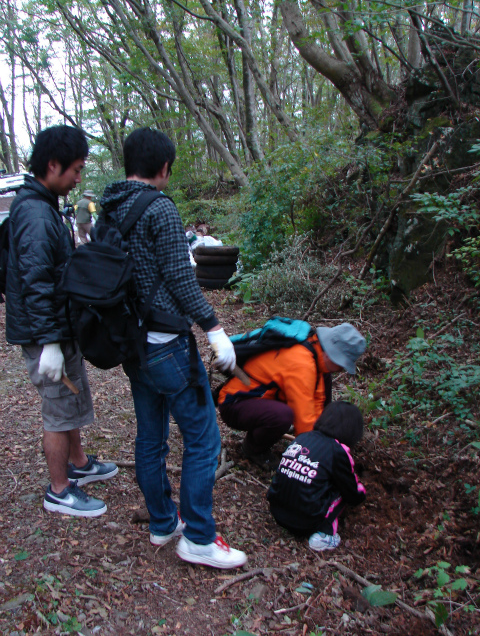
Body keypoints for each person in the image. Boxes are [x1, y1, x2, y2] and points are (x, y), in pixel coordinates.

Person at [99, 127, 247, 569]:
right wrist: (214, 328)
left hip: (133, 345)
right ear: (164, 167)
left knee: (151, 439)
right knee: (203, 439)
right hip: (166, 344)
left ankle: (164, 522)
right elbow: (181, 279)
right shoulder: (159, 207)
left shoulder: (109, 209)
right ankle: (198, 537)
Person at [5, 125, 118, 518]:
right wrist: (49, 343)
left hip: (57, 327)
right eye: (76, 169)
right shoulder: (35, 213)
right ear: (53, 165)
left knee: (69, 400)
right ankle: (58, 490)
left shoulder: (44, 203)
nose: (79, 178)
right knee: (57, 409)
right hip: (45, 333)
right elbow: (35, 282)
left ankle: (79, 464)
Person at [218, 322, 366, 469]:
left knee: (324, 378)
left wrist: (322, 434)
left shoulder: (314, 348)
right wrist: (316, 455)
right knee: (283, 416)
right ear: (331, 354)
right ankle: (253, 449)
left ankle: (320, 437)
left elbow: (317, 400)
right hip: (235, 402)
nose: (340, 369)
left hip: (262, 399)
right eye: (341, 365)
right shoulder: (302, 364)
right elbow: (304, 419)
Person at [267, 401, 366, 551]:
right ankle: (324, 534)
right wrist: (362, 491)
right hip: (305, 523)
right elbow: (353, 494)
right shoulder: (338, 451)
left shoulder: (302, 438)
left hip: (276, 511)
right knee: (342, 488)